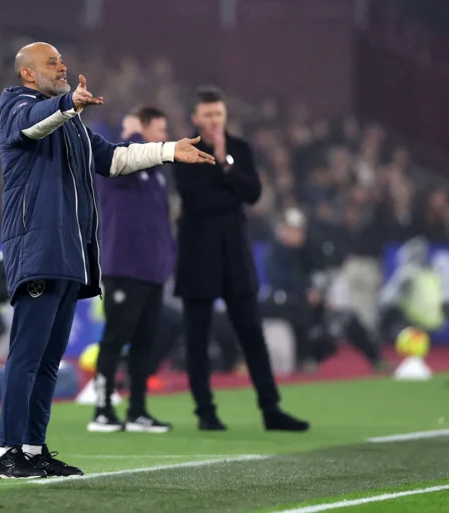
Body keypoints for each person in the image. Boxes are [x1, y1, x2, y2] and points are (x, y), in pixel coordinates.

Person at [0, 42, 215, 479]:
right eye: (51, 63)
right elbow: (32, 127)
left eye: (61, 60)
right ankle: (6, 453)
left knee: (51, 358)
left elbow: (113, 158)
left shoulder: (70, 124)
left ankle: (34, 450)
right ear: (28, 76)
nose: (62, 66)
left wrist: (169, 151)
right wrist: (68, 104)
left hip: (68, 252)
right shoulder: (15, 105)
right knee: (27, 355)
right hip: (37, 248)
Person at [173, 86, 309, 432]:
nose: (214, 120)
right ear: (195, 118)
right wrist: (230, 186)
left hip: (235, 256)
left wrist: (225, 165)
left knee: (252, 334)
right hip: (198, 258)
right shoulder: (182, 151)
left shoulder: (240, 149)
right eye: (207, 115)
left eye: (218, 114)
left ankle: (271, 409)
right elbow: (198, 199)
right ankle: (205, 411)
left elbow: (254, 193)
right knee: (197, 338)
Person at [88, 107, 174, 434]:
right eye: (159, 128)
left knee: (144, 341)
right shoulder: (120, 158)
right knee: (115, 338)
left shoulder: (157, 172)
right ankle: (102, 409)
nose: (163, 135)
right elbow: (121, 160)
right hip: (123, 266)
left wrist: (167, 259)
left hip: (151, 271)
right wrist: (134, 133)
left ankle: (137, 410)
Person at [262, 209, 385, 372]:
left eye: (299, 229)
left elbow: (327, 267)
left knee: (345, 320)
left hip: (313, 308)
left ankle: (376, 360)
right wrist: (305, 292)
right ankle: (304, 360)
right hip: (285, 308)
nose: (296, 234)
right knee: (305, 323)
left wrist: (321, 295)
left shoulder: (310, 250)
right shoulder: (275, 253)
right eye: (291, 229)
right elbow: (278, 281)